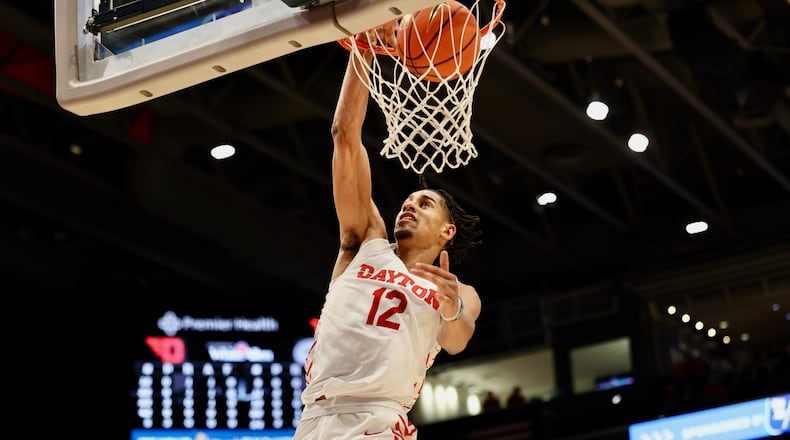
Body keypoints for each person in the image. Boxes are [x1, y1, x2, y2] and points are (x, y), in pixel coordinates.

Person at [293, 23, 483, 440]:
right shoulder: (365, 242)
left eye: (424, 203)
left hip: (378, 420)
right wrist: (362, 48)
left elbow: (457, 339)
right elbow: (345, 135)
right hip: (315, 418)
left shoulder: (455, 290)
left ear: (447, 231)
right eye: (407, 202)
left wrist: (449, 306)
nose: (409, 206)